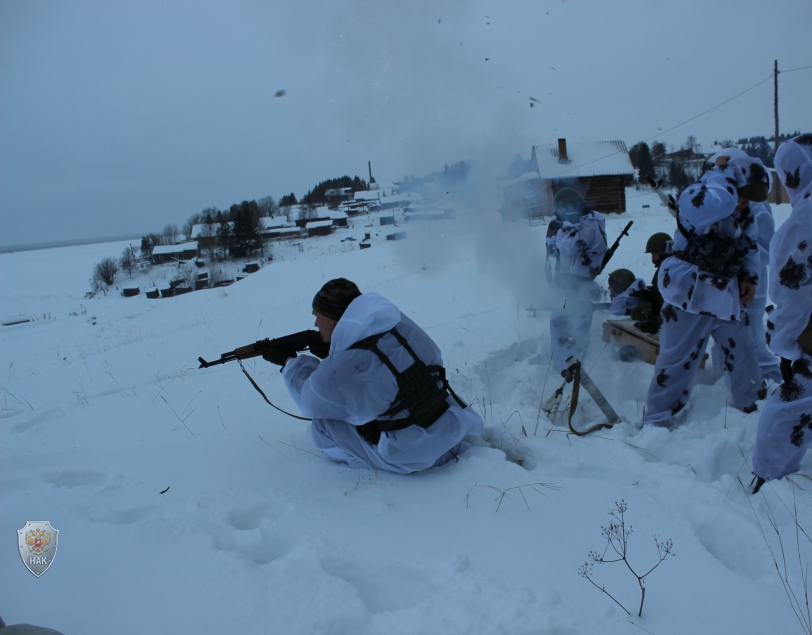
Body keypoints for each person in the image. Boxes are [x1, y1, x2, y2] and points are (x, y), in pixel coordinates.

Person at [264, 278, 484, 474]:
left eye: (317, 317)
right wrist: (336, 352)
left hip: (416, 456)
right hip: (453, 429)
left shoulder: (349, 365)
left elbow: (310, 399)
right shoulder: (401, 327)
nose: (315, 325)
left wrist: (289, 363)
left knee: (323, 427)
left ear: (333, 321)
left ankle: (359, 466)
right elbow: (388, 364)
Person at [642, 164, 763, 428]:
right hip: (688, 294)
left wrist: (750, 278)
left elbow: (750, 247)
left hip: (725, 295)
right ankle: (657, 421)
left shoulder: (745, 213)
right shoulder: (699, 196)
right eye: (742, 195)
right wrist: (724, 178)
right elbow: (711, 206)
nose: (744, 203)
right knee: (677, 362)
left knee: (743, 355)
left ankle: (752, 410)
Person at [751, 133, 812, 491]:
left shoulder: (803, 222)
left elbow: (793, 291)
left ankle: (769, 484)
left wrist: (786, 344)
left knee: (787, 409)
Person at [706, 150, 782, 383]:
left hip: (748, 284)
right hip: (729, 282)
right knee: (724, 340)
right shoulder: (731, 198)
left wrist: (731, 255)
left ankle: (773, 382)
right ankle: (722, 386)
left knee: (752, 342)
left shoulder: (754, 206)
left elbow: (765, 249)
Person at [545, 188, 607, 370]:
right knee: (560, 327)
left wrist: (564, 227)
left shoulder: (590, 226)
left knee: (574, 332)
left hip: (580, 290)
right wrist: (553, 231)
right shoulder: (575, 226)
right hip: (568, 289)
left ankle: (573, 372)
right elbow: (554, 251)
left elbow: (569, 247)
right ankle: (564, 369)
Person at [629, 233, 672, 333]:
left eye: (654, 254)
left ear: (663, 252)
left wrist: (651, 296)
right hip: (666, 309)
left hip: (667, 311)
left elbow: (665, 294)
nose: (652, 258)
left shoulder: (667, 268)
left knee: (637, 312)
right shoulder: (668, 266)